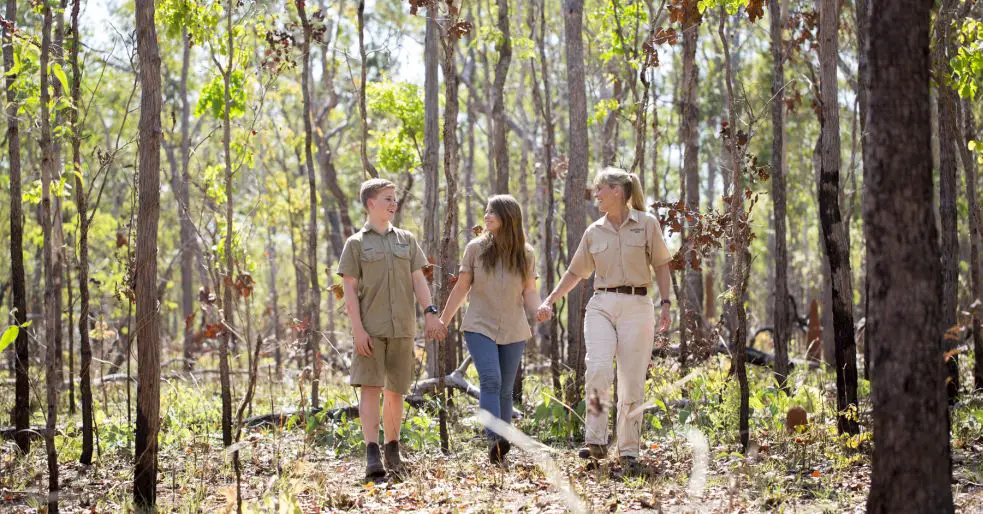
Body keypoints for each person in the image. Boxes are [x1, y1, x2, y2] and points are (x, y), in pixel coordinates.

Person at [536, 167, 673, 475]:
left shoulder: (647, 224)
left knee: (631, 381)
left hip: (638, 305)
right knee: (598, 368)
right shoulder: (593, 231)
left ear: (617, 191)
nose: (595, 195)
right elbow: (575, 272)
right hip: (601, 305)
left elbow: (662, 265)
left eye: (599, 189)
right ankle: (596, 441)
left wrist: (665, 303)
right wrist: (549, 301)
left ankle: (628, 451)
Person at [337, 178, 447, 481]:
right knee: (370, 388)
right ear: (371, 204)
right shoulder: (356, 244)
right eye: (387, 198)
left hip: (402, 328)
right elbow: (349, 290)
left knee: (396, 390)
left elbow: (418, 280)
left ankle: (392, 449)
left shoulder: (406, 240)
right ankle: (371, 453)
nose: (393, 203)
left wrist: (430, 313)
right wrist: (358, 330)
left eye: (395, 198)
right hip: (371, 329)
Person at [438, 195, 545, 466]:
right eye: (485, 212)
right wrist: (443, 320)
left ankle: (501, 448)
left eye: (492, 212)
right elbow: (462, 287)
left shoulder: (526, 253)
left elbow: (530, 293)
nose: (486, 216)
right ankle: (494, 439)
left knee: (506, 390)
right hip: (479, 325)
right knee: (491, 379)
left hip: (513, 327)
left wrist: (540, 309)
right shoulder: (475, 248)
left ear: (508, 216)